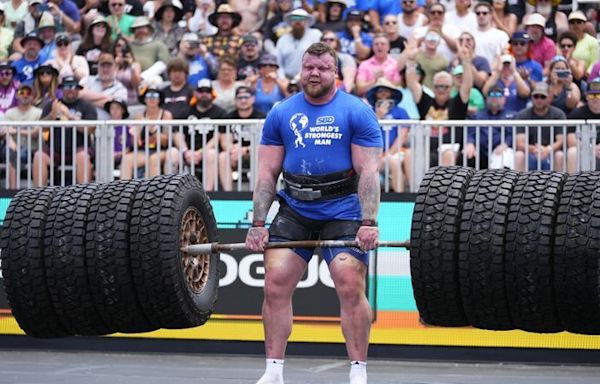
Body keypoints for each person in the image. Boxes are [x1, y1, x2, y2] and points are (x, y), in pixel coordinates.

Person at [245, 42, 382, 384]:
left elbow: (368, 172)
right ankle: (273, 370)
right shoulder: (280, 113)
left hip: (343, 209)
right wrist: (258, 223)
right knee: (275, 285)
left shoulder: (357, 112)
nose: (315, 73)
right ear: (300, 70)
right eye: (309, 67)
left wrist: (368, 222)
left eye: (322, 67)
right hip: (295, 208)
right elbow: (266, 174)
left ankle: (358, 371)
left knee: (350, 284)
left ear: (335, 72)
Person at [33, 76, 97, 186]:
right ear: (61, 89)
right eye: (67, 86)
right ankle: (38, 196)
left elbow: (91, 129)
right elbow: (43, 128)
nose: (70, 89)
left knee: (82, 156)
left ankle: (84, 197)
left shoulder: (87, 106)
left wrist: (70, 116)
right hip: (55, 150)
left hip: (80, 148)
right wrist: (52, 116)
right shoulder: (52, 105)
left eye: (73, 86)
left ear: (78, 89)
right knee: (39, 156)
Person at [218, 85, 266, 191]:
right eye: (240, 98)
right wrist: (232, 150)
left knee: (259, 153)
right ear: (235, 100)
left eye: (246, 97)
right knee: (222, 156)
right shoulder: (228, 117)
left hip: (254, 152)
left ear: (253, 99)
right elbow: (224, 142)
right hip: (234, 153)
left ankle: (256, 193)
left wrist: (245, 150)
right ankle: (228, 194)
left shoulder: (261, 117)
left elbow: (264, 141)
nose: (243, 100)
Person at [514, 82, 567, 171]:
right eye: (536, 96)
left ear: (549, 98)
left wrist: (547, 149)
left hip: (551, 151)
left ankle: (559, 184)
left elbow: (561, 140)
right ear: (532, 98)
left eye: (543, 97)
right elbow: (520, 143)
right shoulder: (522, 115)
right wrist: (535, 149)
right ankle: (520, 184)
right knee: (519, 155)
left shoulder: (559, 114)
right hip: (530, 151)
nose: (539, 99)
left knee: (559, 155)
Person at [1, 83, 42, 189]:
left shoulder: (38, 112)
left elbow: (34, 134)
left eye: (28, 93)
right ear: (16, 95)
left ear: (33, 96)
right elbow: (5, 131)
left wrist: (15, 130)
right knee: (11, 152)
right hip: (12, 147)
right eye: (21, 92)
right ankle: (13, 191)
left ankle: (12, 193)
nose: (25, 95)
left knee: (13, 155)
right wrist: (11, 140)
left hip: (31, 148)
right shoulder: (10, 113)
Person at [466, 86, 515, 170]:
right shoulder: (477, 116)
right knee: (467, 155)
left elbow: (512, 134)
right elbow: (470, 132)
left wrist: (506, 144)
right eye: (491, 95)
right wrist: (470, 144)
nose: (495, 98)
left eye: (498, 96)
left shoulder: (511, 116)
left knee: (505, 155)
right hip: (480, 151)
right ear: (487, 99)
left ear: (504, 99)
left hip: (499, 149)